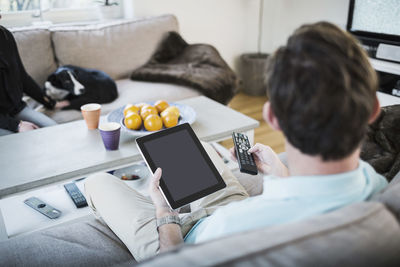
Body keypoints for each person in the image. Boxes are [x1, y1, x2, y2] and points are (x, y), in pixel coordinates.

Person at [84, 22, 388, 261]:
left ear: (273, 117)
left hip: (185, 237)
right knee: (199, 148)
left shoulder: (235, 231)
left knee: (96, 181)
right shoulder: (376, 187)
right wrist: (279, 176)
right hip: (236, 208)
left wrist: (164, 213)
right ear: (374, 109)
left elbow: (174, 259)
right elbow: (306, 199)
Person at [0, 24, 58, 136]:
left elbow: (22, 77)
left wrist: (50, 102)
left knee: (56, 131)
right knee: (17, 144)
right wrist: (17, 125)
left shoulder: (4, 35)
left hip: (17, 109)